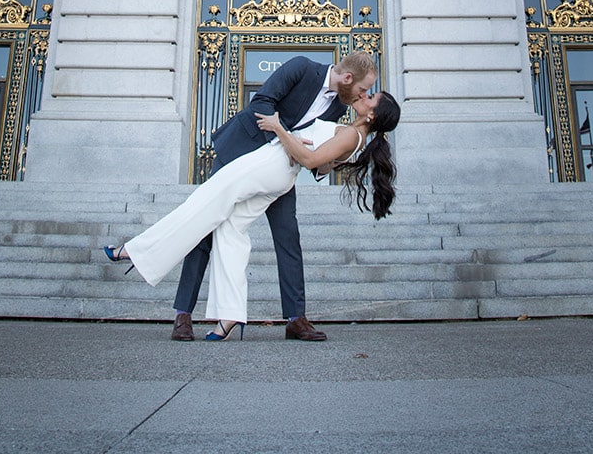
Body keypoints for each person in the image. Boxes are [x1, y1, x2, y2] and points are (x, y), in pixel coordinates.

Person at [103, 89, 400, 340]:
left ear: (372, 115)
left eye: (371, 97)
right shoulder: (353, 136)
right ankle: (230, 315)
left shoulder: (352, 136)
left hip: (272, 165)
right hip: (278, 173)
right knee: (230, 228)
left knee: (205, 201)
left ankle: (137, 251)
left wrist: (277, 127)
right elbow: (319, 164)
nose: (364, 95)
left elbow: (309, 159)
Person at [167, 51, 378, 342]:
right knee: (204, 226)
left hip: (279, 172)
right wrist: (282, 140)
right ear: (347, 78)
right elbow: (262, 102)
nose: (362, 95)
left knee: (288, 236)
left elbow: (316, 143)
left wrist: (324, 162)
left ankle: (296, 319)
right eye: (363, 89)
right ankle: (183, 315)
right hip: (239, 154)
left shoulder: (338, 108)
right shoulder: (302, 68)